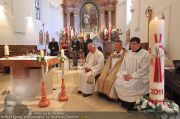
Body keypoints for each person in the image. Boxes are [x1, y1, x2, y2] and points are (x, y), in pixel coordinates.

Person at [114, 37, 149, 111]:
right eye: (131, 44)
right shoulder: (128, 53)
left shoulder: (145, 54)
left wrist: (132, 76)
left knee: (131, 85)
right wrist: (124, 74)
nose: (132, 46)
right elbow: (123, 65)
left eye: (134, 44)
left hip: (139, 77)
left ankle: (132, 105)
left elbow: (144, 69)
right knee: (118, 81)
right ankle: (123, 102)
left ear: (139, 44)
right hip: (127, 75)